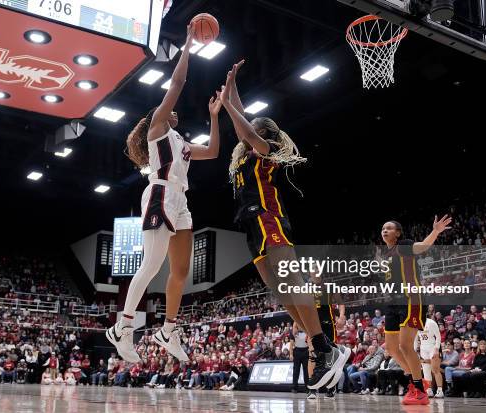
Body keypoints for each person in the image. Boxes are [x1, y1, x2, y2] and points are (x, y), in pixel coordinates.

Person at [220, 59, 349, 392]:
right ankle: (324, 345)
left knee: (291, 281)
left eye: (254, 128)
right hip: (250, 224)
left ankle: (323, 346)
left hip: (268, 216)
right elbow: (242, 121)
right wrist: (231, 84)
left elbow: (244, 127)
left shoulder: (263, 149)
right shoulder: (246, 151)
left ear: (264, 133)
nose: (247, 130)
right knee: (279, 291)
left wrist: (228, 105)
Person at [107, 24, 222, 363]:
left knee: (181, 271)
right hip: (159, 193)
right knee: (152, 264)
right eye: (170, 107)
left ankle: (168, 329)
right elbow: (178, 83)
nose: (175, 109)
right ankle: (122, 327)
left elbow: (214, 151)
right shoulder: (158, 128)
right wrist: (187, 42)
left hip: (179, 200)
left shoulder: (183, 144)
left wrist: (214, 116)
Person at [380, 216, 452, 404]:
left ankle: (419, 389)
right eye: (383, 229)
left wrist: (435, 231)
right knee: (391, 348)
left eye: (389, 228)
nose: (385, 231)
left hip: (410, 299)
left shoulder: (403, 245)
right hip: (392, 303)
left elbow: (422, 247)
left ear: (398, 233)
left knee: (405, 346)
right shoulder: (385, 255)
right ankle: (416, 379)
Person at [415, 315, 444, 398]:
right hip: (423, 348)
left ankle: (440, 390)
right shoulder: (416, 323)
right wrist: (415, 351)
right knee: (425, 370)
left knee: (435, 369)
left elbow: (438, 336)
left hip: (432, 346)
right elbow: (416, 338)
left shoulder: (431, 322)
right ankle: (429, 390)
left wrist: (436, 349)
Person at [290, 323, 309, 394]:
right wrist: (291, 354)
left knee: (306, 371)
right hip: (297, 351)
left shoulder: (307, 332)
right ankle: (294, 388)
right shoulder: (294, 332)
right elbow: (291, 344)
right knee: (296, 371)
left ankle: (307, 388)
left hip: (306, 351)